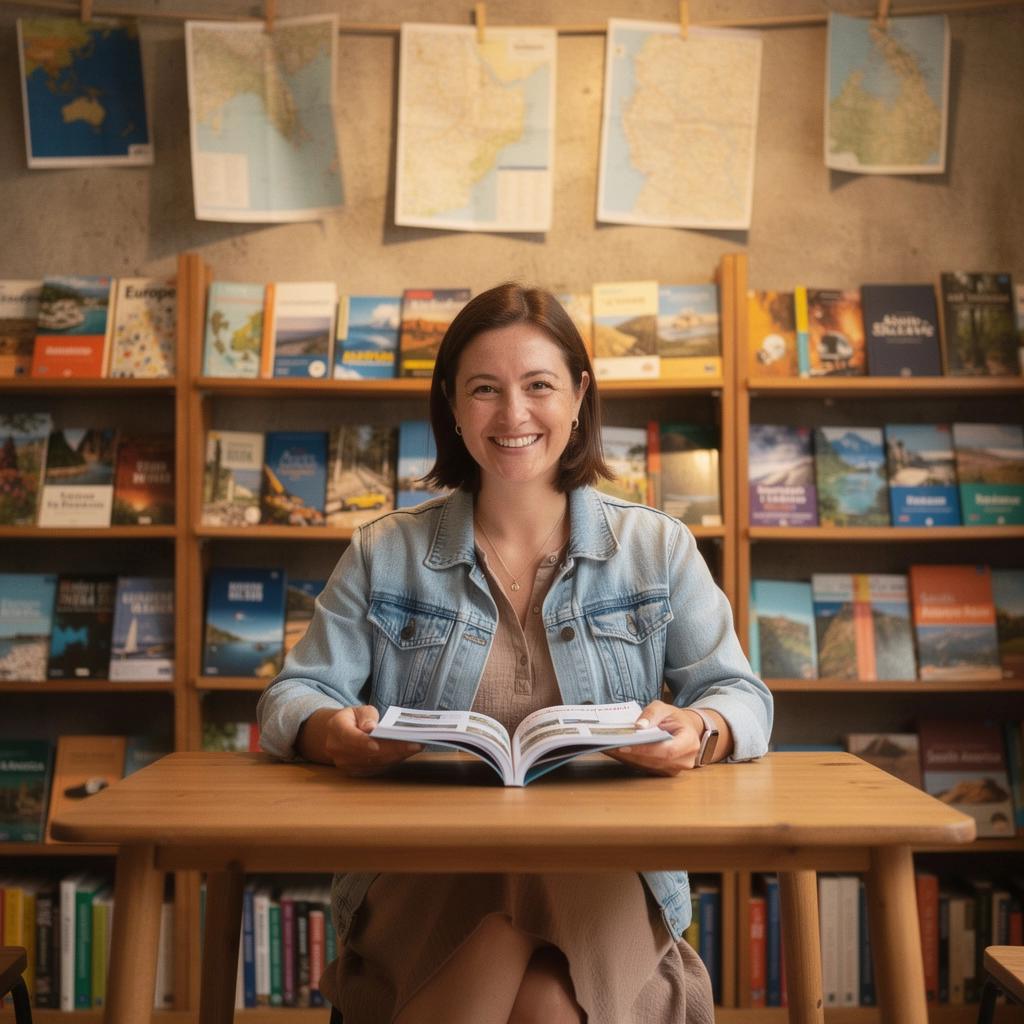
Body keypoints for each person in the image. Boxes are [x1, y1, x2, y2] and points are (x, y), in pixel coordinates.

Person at [257, 283, 773, 1024]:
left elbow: (741, 696)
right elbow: (291, 697)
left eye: (539, 386)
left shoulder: (658, 548)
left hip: (602, 870)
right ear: (453, 406)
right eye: (485, 390)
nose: (513, 415)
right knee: (542, 1003)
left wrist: (701, 733)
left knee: (539, 987)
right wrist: (327, 733)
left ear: (579, 396)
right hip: (428, 869)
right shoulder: (385, 552)